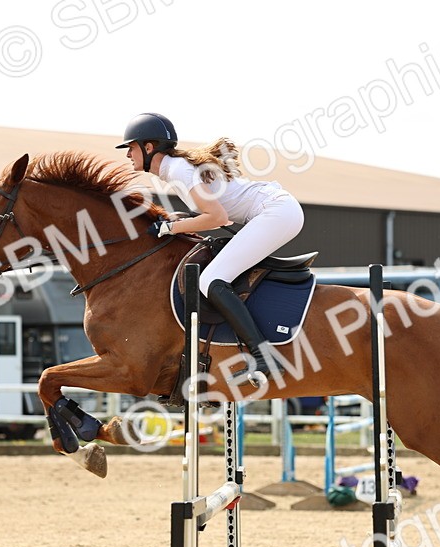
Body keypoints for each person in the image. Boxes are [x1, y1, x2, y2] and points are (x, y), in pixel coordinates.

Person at [117, 112, 305, 388]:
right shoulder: (175, 169)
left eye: (130, 147)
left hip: (276, 212)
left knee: (211, 280)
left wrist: (170, 228)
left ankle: (265, 358)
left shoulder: (178, 170)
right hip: (276, 211)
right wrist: (176, 221)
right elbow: (218, 216)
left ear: (149, 147)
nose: (127, 155)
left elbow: (216, 219)